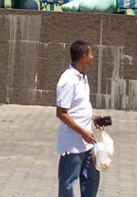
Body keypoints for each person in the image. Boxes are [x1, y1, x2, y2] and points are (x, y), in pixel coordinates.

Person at [56, 40, 102, 197]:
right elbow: (61, 113)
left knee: (92, 178)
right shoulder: (67, 80)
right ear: (84, 57)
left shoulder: (82, 76)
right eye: (90, 54)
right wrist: (82, 132)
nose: (93, 56)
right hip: (73, 144)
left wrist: (94, 117)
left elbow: (81, 104)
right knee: (68, 183)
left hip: (88, 142)